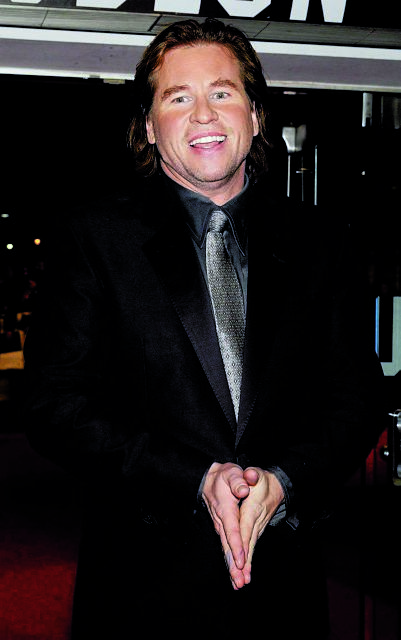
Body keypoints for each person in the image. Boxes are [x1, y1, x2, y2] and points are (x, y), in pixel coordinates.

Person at [24, 18, 385, 639]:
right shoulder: (93, 240)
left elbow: (356, 395)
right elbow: (54, 404)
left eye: (222, 92)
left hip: (285, 592)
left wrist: (284, 480)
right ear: (148, 126)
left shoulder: (322, 243)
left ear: (256, 115)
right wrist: (194, 478)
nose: (203, 115)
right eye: (178, 97)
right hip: (140, 592)